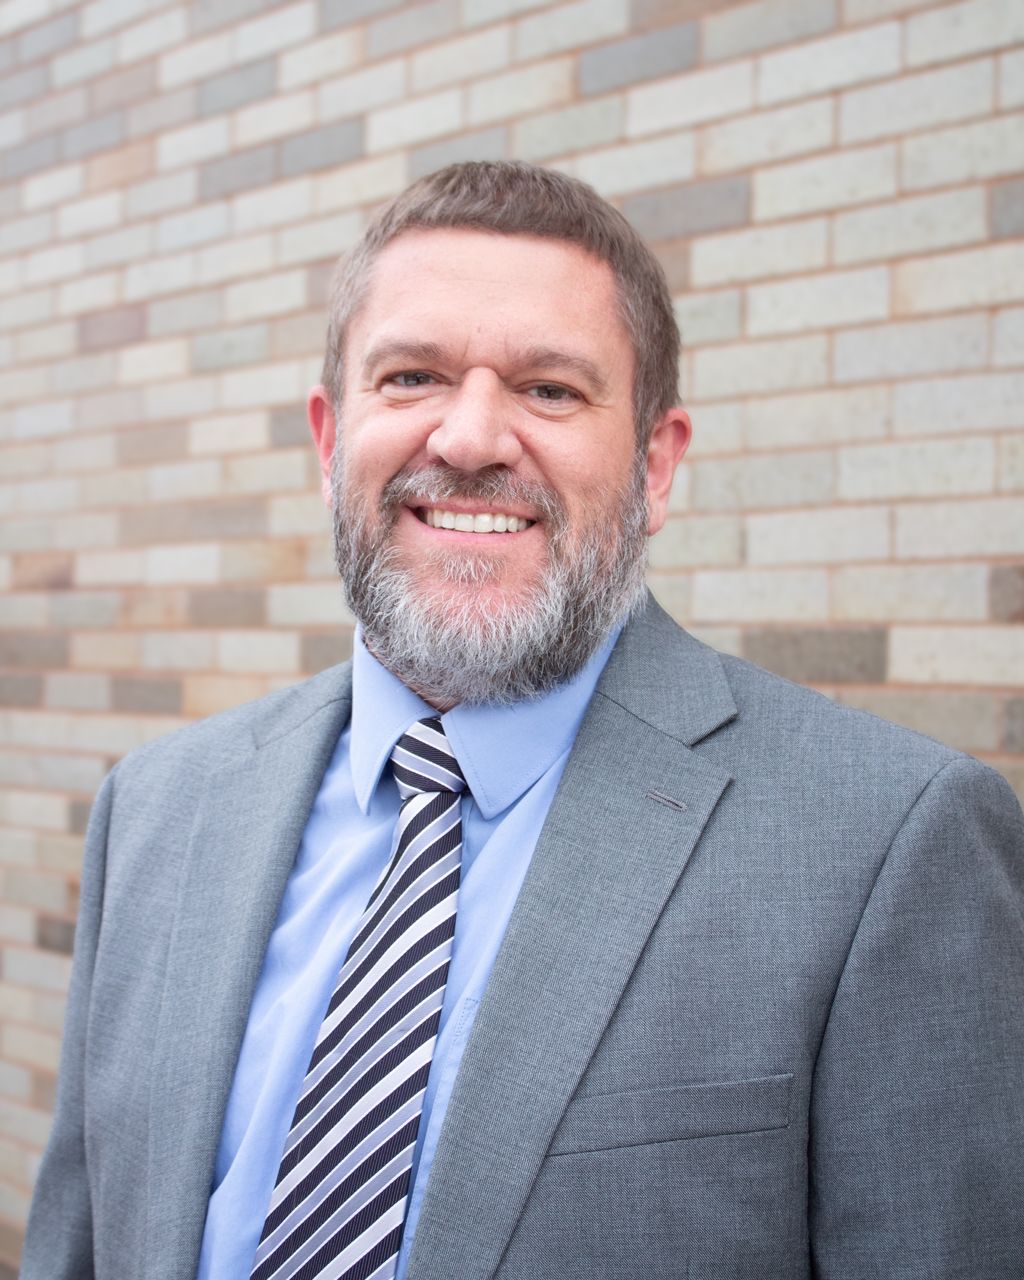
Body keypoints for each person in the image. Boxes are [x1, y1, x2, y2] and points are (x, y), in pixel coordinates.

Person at [22, 162, 1024, 1280]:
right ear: (326, 438)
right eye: (411, 376)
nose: (468, 436)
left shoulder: (890, 841)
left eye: (549, 389)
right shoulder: (157, 807)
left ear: (654, 463)